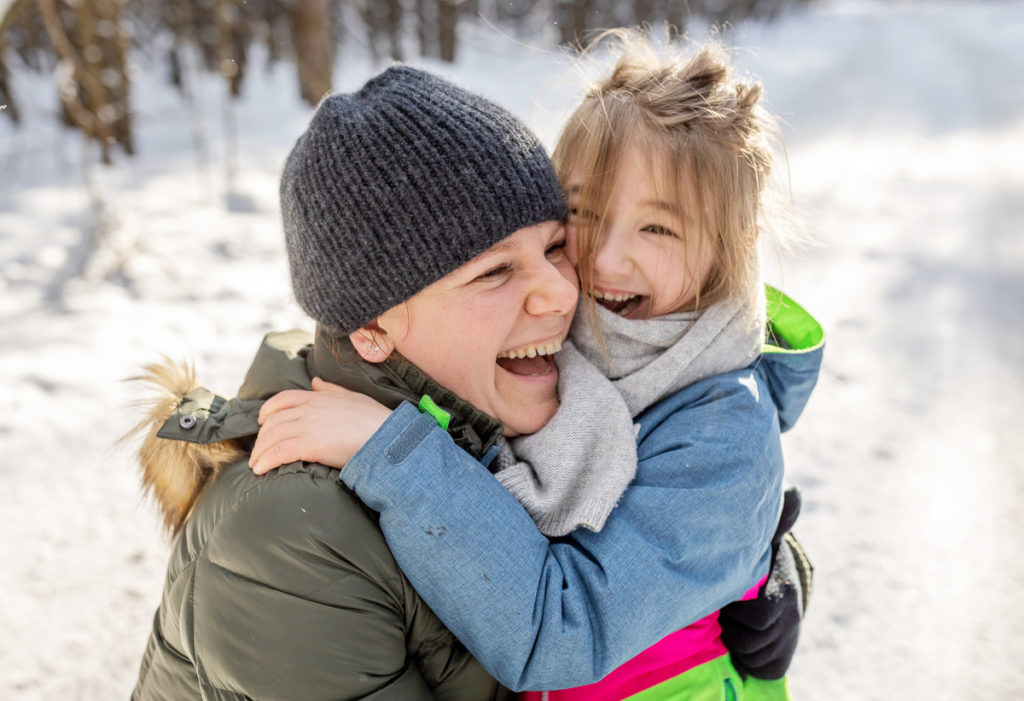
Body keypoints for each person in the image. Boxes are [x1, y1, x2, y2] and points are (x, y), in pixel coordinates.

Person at [127, 64, 803, 700]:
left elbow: (667, 469)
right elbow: (557, 620)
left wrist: (740, 568)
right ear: (369, 328)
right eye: (493, 272)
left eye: (550, 247)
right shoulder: (292, 540)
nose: (565, 291)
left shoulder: (496, 396)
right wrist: (394, 452)